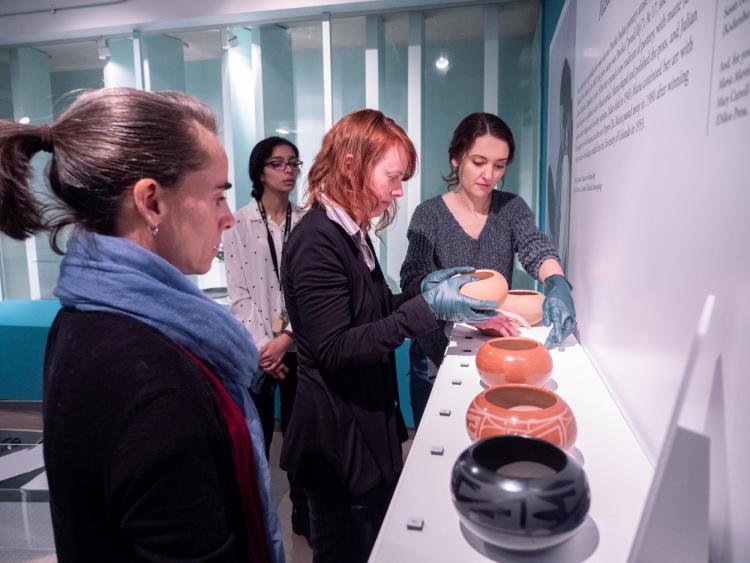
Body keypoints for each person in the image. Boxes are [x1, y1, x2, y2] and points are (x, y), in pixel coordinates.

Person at [0, 88, 283, 562]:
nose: (226, 219)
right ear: (151, 202)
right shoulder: (152, 378)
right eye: (216, 196)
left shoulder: (85, 318)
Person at [279, 109, 498, 563]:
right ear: (351, 166)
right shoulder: (317, 239)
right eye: (392, 177)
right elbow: (335, 347)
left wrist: (425, 291)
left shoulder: (352, 232)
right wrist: (425, 309)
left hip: (365, 429)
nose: (399, 190)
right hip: (337, 443)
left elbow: (373, 313)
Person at [400, 112, 577, 428]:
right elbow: (414, 275)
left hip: (492, 350)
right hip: (434, 353)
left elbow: (534, 246)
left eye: (499, 164)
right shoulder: (430, 214)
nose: (489, 174)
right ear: (456, 158)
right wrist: (453, 303)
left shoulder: (511, 208)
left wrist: (557, 281)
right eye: (479, 161)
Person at [223, 136, 310, 541]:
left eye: (294, 163)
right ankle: (256, 517)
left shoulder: (307, 219)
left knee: (301, 436)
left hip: (297, 343)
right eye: (279, 163)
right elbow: (237, 291)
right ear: (260, 171)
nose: (289, 170)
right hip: (256, 351)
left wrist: (287, 339)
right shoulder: (238, 223)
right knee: (253, 441)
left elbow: (311, 289)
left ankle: (302, 515)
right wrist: (266, 347)